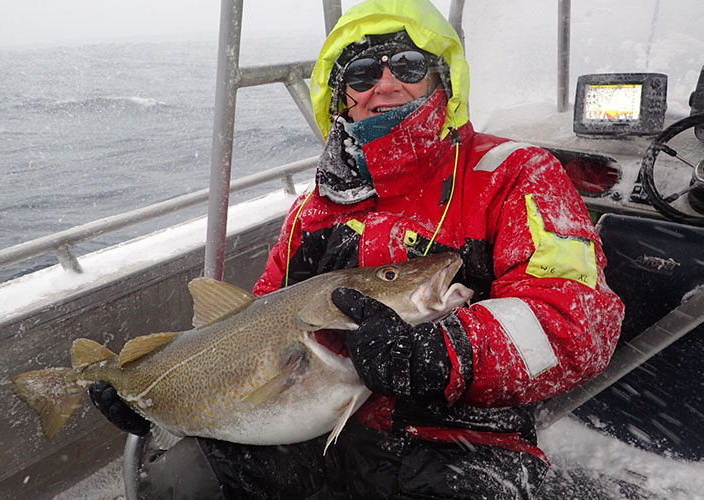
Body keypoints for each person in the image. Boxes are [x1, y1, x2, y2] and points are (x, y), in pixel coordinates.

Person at [90, 0, 625, 498]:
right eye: (364, 74)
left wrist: (445, 354)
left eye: (409, 65)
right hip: (312, 435)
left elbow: (578, 321)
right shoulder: (314, 209)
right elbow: (250, 326)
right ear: (344, 95)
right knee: (185, 480)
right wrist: (157, 394)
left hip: (461, 440)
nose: (386, 84)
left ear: (442, 76)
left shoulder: (515, 174)